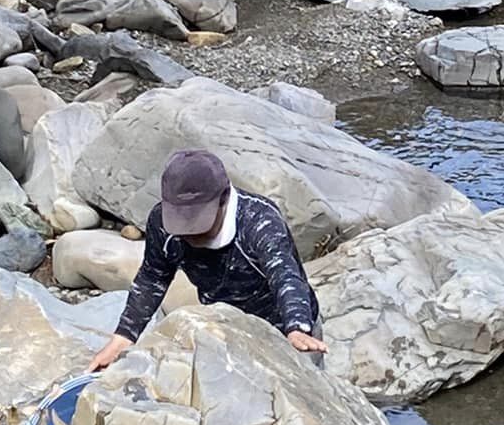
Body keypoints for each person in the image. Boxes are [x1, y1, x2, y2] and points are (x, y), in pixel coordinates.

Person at [88, 150, 326, 370]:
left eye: (198, 220)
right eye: (182, 221)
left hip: (288, 329)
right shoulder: (162, 224)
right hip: (225, 329)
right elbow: (152, 278)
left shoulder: (258, 221)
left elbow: (286, 276)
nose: (189, 232)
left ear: (223, 198)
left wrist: (296, 327)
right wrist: (123, 338)